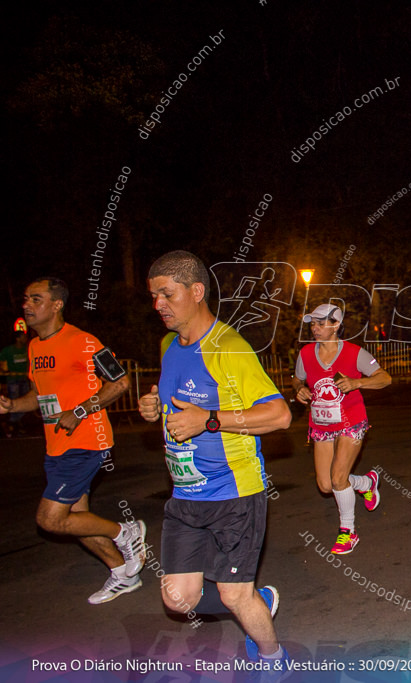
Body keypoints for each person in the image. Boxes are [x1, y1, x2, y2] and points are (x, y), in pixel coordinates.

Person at [138, 251, 292, 666]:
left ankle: (273, 659)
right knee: (176, 599)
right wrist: (155, 406)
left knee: (231, 593)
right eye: (154, 296)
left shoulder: (230, 347)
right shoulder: (169, 344)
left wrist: (208, 420)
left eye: (167, 294)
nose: (158, 305)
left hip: (234, 493)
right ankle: (255, 598)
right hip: (186, 496)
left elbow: (279, 415)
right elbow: (179, 397)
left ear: (197, 290)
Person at [0, 277, 145, 604]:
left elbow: (119, 383)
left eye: (35, 299)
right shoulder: (35, 346)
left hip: (86, 442)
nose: (26, 305)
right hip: (57, 445)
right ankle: (123, 572)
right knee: (74, 520)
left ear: (56, 304)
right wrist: (13, 405)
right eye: (25, 299)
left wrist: (80, 410)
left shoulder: (84, 342)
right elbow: (40, 396)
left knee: (50, 519)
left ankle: (126, 533)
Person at [293, 303, 390, 554]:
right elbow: (297, 378)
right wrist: (298, 389)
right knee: (326, 485)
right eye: (312, 324)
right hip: (322, 424)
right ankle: (366, 484)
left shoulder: (354, 353)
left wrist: (357, 382)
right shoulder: (305, 354)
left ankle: (348, 532)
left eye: (320, 323)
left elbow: (384, 378)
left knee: (338, 478)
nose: (314, 328)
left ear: (335, 325)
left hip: (351, 421)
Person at [0, 330, 31, 436]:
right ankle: (13, 423)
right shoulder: (8, 351)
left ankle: (17, 422)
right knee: (13, 401)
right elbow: (2, 361)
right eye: (23, 337)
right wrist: (4, 370)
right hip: (13, 380)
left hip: (24, 378)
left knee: (26, 400)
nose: (25, 338)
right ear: (17, 338)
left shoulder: (27, 349)